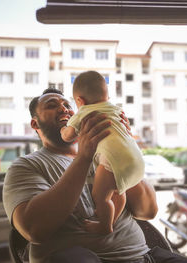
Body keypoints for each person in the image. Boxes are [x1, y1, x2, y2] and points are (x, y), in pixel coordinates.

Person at [2, 87, 187, 263]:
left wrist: (123, 145)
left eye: (67, 104)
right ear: (35, 124)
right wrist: (84, 157)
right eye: (52, 105)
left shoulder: (105, 155)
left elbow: (147, 210)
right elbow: (34, 229)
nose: (64, 109)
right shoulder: (26, 166)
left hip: (145, 257)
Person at [60, 71, 144, 235]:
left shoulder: (84, 112)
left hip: (113, 161)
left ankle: (105, 225)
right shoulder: (117, 109)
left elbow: (68, 136)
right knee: (118, 191)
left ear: (79, 101)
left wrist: (63, 129)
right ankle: (111, 218)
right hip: (136, 159)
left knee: (100, 196)